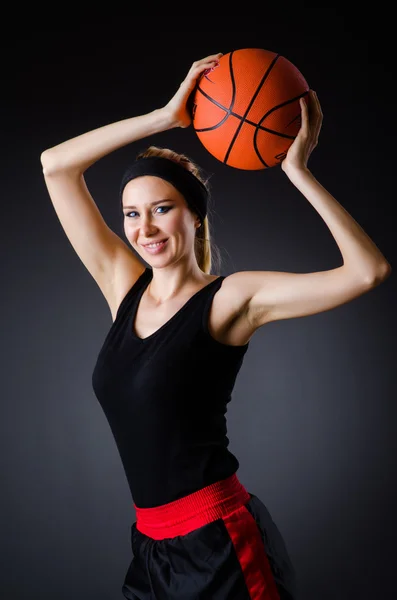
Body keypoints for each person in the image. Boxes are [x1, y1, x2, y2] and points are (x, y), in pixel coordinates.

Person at [40, 52, 391, 600]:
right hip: (151, 547)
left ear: (195, 214)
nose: (144, 227)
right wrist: (164, 116)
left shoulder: (232, 299)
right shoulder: (122, 289)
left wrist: (297, 171)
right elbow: (56, 165)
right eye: (131, 213)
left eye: (162, 208)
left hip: (220, 545)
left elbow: (368, 272)